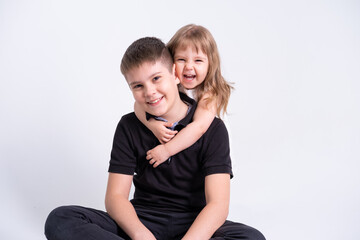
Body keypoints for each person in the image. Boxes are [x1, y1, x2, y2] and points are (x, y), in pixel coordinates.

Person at [44, 36, 266, 240]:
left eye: (156, 78)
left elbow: (218, 205)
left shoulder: (212, 128)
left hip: (193, 225)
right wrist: (141, 236)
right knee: (61, 219)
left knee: (251, 238)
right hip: (142, 220)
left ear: (175, 74)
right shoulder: (129, 125)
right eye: (138, 86)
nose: (150, 92)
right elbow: (115, 197)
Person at [135, 24, 233, 168]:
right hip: (184, 157)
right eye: (181, 59)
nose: (189, 66)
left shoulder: (210, 92)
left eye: (198, 60)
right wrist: (152, 125)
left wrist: (166, 151)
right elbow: (138, 105)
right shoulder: (171, 86)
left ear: (210, 64)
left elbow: (198, 128)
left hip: (211, 157)